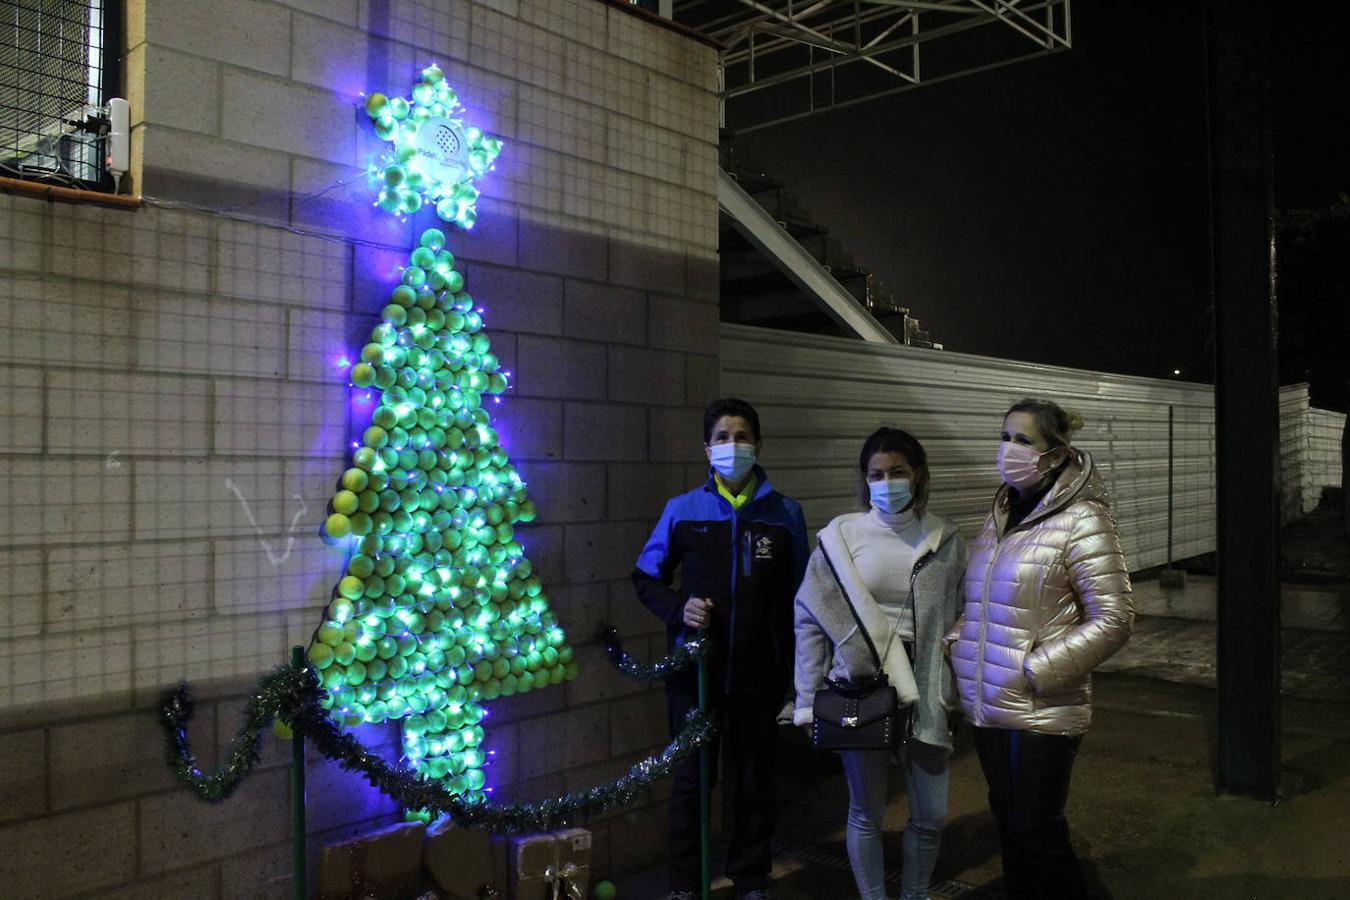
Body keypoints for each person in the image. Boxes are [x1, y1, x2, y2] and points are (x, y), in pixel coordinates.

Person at [946, 398, 1134, 899]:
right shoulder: (1002, 512)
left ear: (1055, 453)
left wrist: (1036, 669)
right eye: (1005, 436)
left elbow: (1114, 618)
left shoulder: (1083, 519)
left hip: (1043, 706)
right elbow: (987, 600)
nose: (1008, 449)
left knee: (1038, 831)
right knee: (1009, 821)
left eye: (1022, 440)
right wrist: (960, 643)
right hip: (991, 704)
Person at [632, 397, 810, 900]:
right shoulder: (682, 511)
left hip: (759, 675)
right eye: (723, 438)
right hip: (696, 676)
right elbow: (645, 578)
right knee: (691, 784)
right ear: (706, 449)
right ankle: (686, 886)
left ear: (758, 443)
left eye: (742, 436)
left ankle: (751, 879)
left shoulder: (784, 514)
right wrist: (679, 609)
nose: (734, 446)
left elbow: (802, 596)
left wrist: (797, 673)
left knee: (754, 783)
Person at [794, 426, 967, 900]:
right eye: (876, 473)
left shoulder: (945, 539)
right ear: (864, 478)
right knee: (865, 809)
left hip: (926, 682)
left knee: (929, 815)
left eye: (897, 471)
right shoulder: (840, 537)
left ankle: (914, 895)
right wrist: (807, 697)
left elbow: (960, 615)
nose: (886, 481)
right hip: (859, 685)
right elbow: (809, 619)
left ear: (918, 476)